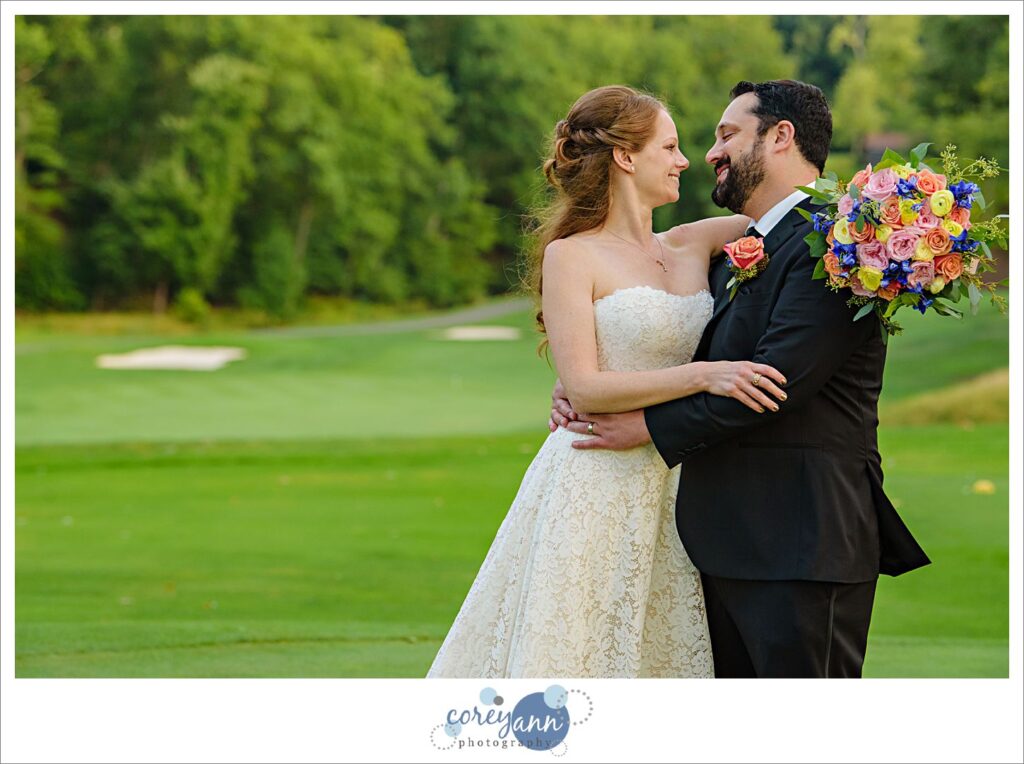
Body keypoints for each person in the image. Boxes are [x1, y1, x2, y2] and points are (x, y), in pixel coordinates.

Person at [551, 80, 931, 678]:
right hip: (721, 541)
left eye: (726, 134)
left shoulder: (837, 244)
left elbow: (771, 384)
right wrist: (597, 371)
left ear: (781, 137)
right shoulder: (746, 247)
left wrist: (646, 424)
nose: (707, 153)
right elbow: (697, 348)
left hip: (802, 540)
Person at [426, 85, 787, 678]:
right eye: (669, 147)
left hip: (679, 479)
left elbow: (793, 217)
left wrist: (897, 215)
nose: (684, 160)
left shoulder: (695, 241)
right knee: (579, 652)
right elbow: (588, 388)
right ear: (625, 157)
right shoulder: (572, 256)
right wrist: (706, 375)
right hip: (595, 478)